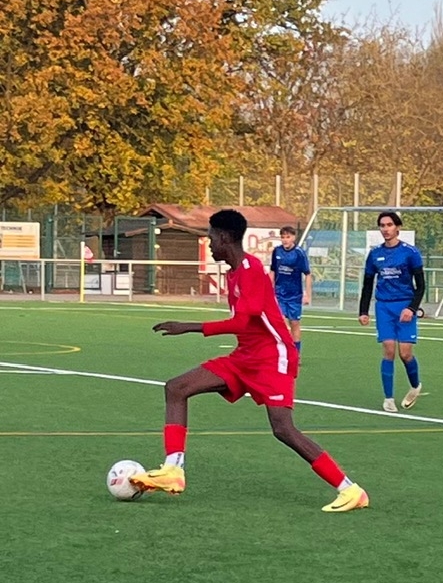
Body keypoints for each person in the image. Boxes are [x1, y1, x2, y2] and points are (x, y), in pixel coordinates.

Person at [130, 209, 368, 513]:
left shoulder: (251, 269)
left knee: (283, 429)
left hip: (273, 357)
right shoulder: (233, 271)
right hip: (245, 356)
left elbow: (242, 322)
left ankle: (350, 490)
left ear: (224, 238)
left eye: (211, 237)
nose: (209, 243)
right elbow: (245, 328)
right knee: (176, 388)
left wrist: (189, 326)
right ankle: (173, 470)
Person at [358, 211, 425, 413]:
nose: (385, 229)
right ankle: (388, 399)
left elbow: (421, 286)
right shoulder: (375, 254)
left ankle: (415, 385)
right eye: (382, 225)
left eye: (389, 225)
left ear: (398, 227)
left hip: (404, 306)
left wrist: (411, 308)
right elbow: (367, 284)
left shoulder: (410, 252)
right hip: (384, 307)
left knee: (405, 354)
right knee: (388, 350)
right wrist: (363, 311)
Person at [269, 226, 312, 354]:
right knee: (280, 322)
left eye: (288, 237)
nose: (285, 240)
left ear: (293, 238)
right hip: (279, 294)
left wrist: (307, 294)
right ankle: (283, 351)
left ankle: (295, 353)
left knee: (294, 323)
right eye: (283, 237)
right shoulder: (277, 251)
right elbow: (273, 271)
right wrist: (269, 289)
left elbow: (308, 274)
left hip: (294, 295)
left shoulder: (299, 253)